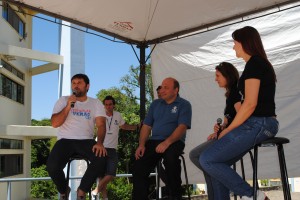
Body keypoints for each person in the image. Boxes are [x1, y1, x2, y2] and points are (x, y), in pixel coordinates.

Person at [199, 26, 278, 200]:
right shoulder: (254, 65)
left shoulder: (255, 64)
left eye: (235, 42)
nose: (233, 46)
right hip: (259, 122)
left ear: (244, 43)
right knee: (214, 163)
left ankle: (252, 195)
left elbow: (249, 104)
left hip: (260, 122)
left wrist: (228, 129)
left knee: (207, 159)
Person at [46, 74, 107, 200]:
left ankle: (82, 190)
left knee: (102, 159)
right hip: (65, 140)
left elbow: (101, 125)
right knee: (52, 166)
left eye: (79, 82)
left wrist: (99, 143)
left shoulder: (95, 103)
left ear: (87, 86)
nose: (76, 85)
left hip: (86, 140)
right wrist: (68, 106)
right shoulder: (63, 100)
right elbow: (54, 123)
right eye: (73, 83)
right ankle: (64, 189)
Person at [132, 77, 192, 200]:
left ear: (176, 90)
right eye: (162, 86)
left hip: (174, 141)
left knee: (170, 159)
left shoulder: (184, 104)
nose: (162, 90)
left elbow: (182, 127)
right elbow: (147, 126)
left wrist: (167, 142)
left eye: (166, 87)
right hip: (154, 141)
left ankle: (175, 196)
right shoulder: (155, 104)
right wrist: (142, 145)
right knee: (138, 162)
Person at [189, 62, 241, 199]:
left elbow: (242, 116)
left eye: (218, 75)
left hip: (234, 137)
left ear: (227, 76)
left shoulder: (236, 92)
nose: (215, 79)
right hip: (227, 135)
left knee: (197, 156)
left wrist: (227, 129)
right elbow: (227, 121)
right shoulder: (230, 94)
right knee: (207, 164)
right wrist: (219, 129)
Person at [91, 95, 138, 200]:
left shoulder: (117, 115)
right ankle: (105, 198)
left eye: (110, 104)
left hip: (112, 149)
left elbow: (124, 126)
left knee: (111, 174)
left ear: (114, 105)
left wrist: (137, 127)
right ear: (104, 106)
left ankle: (95, 190)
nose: (108, 106)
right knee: (102, 176)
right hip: (100, 148)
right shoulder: (99, 116)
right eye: (106, 104)